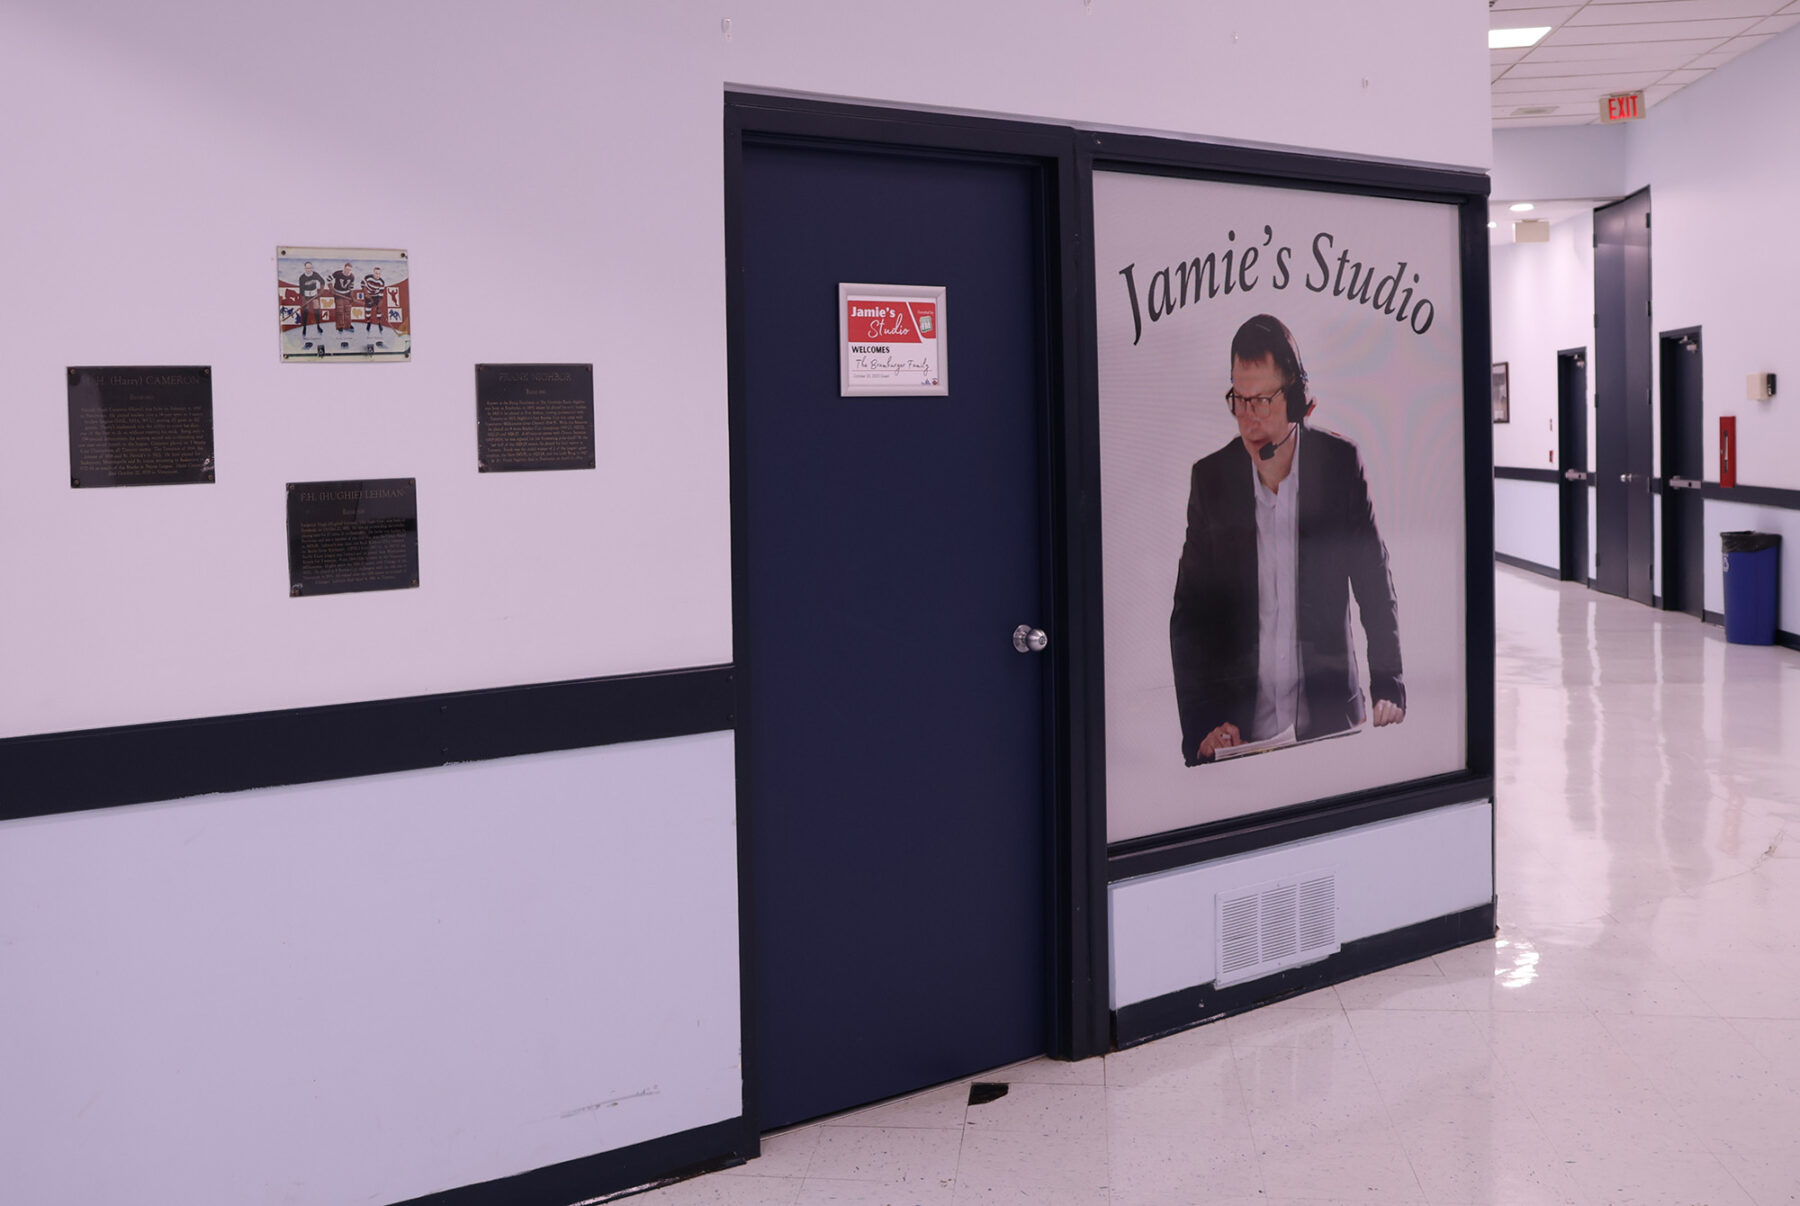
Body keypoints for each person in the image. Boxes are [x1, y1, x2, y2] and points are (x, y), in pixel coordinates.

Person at [1170, 313, 1405, 765]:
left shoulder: (1339, 467)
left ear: (1296, 401)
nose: (1248, 420)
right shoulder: (1211, 480)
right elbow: (1189, 619)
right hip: (1240, 735)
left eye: (1262, 401)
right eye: (1239, 400)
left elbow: (1375, 585)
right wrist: (1203, 725)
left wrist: (1388, 683)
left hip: (1330, 726)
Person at [295, 261, 326, 336]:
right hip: (306, 295)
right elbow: (301, 290)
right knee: (305, 310)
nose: (308, 270)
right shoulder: (302, 277)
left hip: (314, 294)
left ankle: (318, 326)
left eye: (310, 268)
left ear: (311, 268)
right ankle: (304, 327)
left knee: (316, 308)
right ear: (305, 268)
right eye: (307, 268)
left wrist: (321, 291)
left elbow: (322, 281)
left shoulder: (315, 274)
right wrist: (304, 300)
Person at [331, 262, 357, 334]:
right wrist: (331, 288)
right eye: (346, 269)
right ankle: (340, 326)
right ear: (344, 268)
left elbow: (351, 287)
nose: (347, 271)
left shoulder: (352, 276)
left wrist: (352, 297)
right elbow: (328, 279)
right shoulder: (338, 273)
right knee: (340, 311)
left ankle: (347, 325)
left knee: (347, 310)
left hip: (347, 295)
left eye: (349, 270)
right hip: (338, 294)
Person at [361, 265, 386, 333]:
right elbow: (362, 285)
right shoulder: (367, 278)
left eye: (379, 274)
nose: (378, 275)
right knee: (368, 309)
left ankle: (379, 322)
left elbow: (381, 294)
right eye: (376, 273)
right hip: (368, 296)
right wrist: (366, 294)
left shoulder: (381, 282)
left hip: (376, 296)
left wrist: (379, 303)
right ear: (373, 273)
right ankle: (369, 322)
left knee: (378, 309)